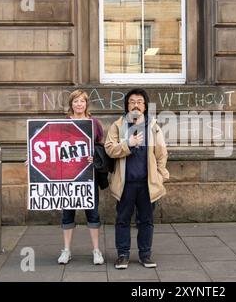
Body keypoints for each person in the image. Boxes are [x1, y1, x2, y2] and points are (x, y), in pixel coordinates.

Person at [105, 89, 169, 269]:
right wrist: (128, 144)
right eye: (132, 101)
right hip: (125, 184)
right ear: (127, 105)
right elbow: (109, 149)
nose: (135, 105)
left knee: (146, 221)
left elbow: (161, 153)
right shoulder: (117, 125)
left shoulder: (153, 126)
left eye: (139, 102)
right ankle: (123, 255)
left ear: (145, 106)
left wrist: (161, 176)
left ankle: (145, 255)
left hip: (147, 184)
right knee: (122, 220)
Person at [57, 90, 105, 265]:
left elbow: (102, 147)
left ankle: (96, 250)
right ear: (71, 104)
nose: (79, 104)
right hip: (68, 178)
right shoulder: (62, 124)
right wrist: (33, 161)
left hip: (88, 177)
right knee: (67, 214)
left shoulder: (94, 123)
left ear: (86, 104)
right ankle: (67, 250)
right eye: (76, 101)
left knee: (93, 214)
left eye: (82, 101)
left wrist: (96, 157)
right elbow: (51, 148)